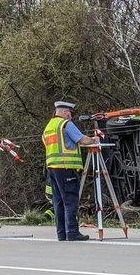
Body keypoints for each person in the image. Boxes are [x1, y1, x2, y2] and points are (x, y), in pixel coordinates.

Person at [42, 100, 100, 241]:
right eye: (69, 112)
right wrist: (94, 139)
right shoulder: (65, 124)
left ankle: (62, 233)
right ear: (64, 112)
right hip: (67, 168)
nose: (70, 115)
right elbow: (82, 140)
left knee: (58, 202)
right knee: (70, 201)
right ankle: (72, 232)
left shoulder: (49, 127)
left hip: (53, 169)